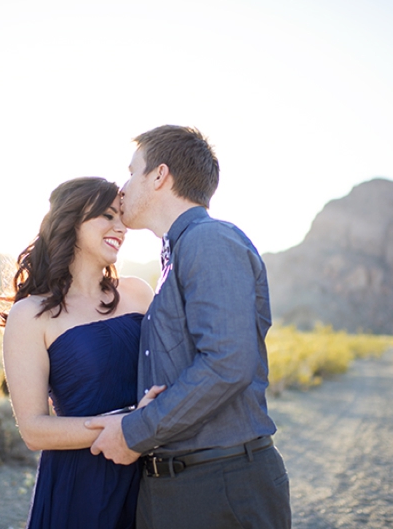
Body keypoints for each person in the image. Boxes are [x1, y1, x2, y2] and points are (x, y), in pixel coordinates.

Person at [85, 126, 292, 528]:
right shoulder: (176, 256)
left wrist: (133, 432)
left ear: (159, 176)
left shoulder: (209, 240)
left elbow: (228, 363)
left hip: (221, 488)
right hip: (181, 488)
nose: (122, 188)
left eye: (132, 172)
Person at [0, 177, 160, 529]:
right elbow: (34, 431)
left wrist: (143, 431)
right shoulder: (30, 315)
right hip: (82, 484)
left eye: (122, 218)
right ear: (71, 222)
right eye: (106, 216)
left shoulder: (139, 293)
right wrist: (129, 427)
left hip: (152, 477)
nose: (121, 227)